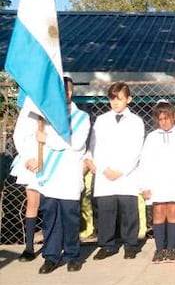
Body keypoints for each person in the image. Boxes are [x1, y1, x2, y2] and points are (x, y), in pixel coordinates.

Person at [18, 77, 91, 273]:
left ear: (71, 93)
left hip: (68, 177)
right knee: (50, 218)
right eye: (59, 92)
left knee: (70, 218)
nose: (63, 95)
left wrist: (47, 138)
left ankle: (72, 255)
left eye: (66, 91)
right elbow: (33, 142)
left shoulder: (81, 117)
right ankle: (51, 256)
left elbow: (74, 144)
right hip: (49, 177)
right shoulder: (46, 117)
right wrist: (31, 157)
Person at [85, 82, 146, 260]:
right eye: (112, 99)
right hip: (105, 173)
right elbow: (94, 145)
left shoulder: (136, 121)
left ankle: (130, 244)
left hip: (126, 174)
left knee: (129, 211)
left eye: (119, 99)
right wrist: (102, 168)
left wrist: (121, 170)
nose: (115, 103)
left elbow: (136, 149)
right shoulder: (102, 120)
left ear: (129, 99)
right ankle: (106, 244)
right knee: (106, 211)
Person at [138, 101, 175, 264]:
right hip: (157, 181)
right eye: (161, 119)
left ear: (174, 117)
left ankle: (171, 248)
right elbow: (144, 162)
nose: (164, 122)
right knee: (159, 212)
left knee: (173, 212)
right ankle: (159, 248)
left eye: (167, 118)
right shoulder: (152, 137)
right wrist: (144, 186)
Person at [10, 104, 44, 262]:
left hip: (53, 160)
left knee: (54, 203)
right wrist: (29, 157)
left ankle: (55, 242)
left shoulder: (56, 106)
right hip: (31, 160)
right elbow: (18, 136)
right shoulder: (29, 108)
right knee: (32, 202)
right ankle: (29, 246)